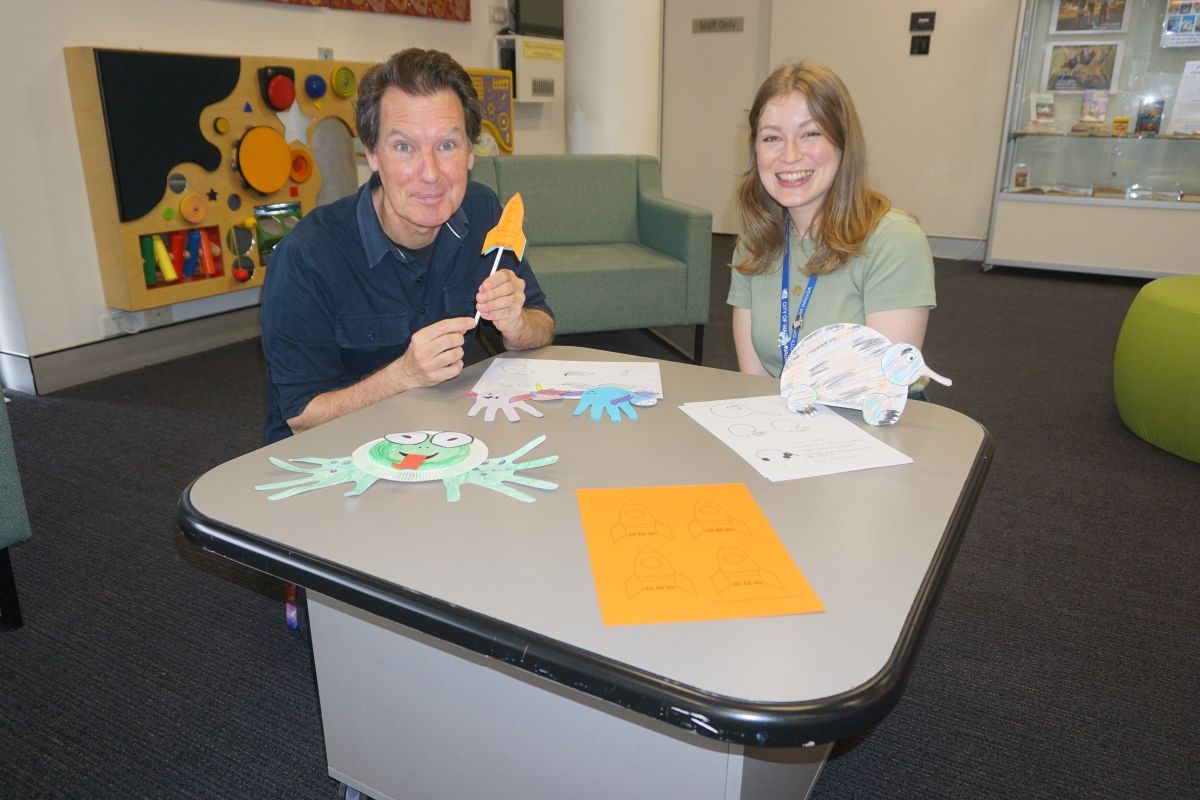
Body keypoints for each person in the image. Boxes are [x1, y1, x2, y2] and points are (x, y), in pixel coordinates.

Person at [261, 48, 556, 445]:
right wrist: (403, 376)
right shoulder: (307, 258)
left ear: (470, 153)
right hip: (332, 453)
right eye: (404, 147)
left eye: (447, 145)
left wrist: (517, 324)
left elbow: (544, 324)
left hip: (443, 437)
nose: (430, 173)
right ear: (372, 155)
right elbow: (300, 417)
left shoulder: (484, 211)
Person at [727, 61, 936, 389]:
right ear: (756, 151)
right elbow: (753, 383)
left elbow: (882, 387)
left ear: (842, 143)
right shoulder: (755, 242)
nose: (791, 155)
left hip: (871, 421)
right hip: (786, 418)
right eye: (772, 138)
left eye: (810, 134)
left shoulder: (894, 240)